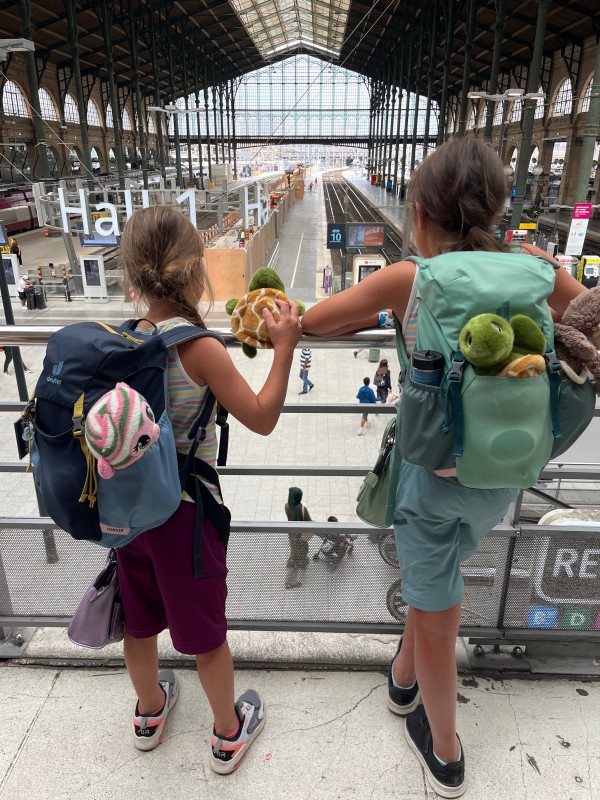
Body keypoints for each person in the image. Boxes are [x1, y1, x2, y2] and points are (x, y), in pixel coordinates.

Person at [301, 137, 586, 797]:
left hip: (431, 475)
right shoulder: (537, 271)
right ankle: (404, 680)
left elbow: (314, 321)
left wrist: (381, 316)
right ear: (499, 209)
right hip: (507, 472)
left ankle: (445, 752)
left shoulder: (411, 279)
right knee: (437, 583)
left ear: (421, 214)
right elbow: (592, 320)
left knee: (436, 608)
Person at [117, 205, 301, 773]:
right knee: (205, 633)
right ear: (196, 270)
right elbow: (262, 417)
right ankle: (227, 733)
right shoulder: (201, 349)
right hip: (183, 513)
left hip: (127, 508)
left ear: (132, 274)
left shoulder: (123, 340)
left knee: (139, 619)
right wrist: (285, 348)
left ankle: (150, 711)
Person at [284, 486, 312, 589]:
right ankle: (290, 582)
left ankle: (302, 562)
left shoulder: (287, 506)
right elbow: (309, 523)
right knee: (296, 557)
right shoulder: (302, 509)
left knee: (296, 551)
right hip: (300, 536)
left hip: (292, 534)